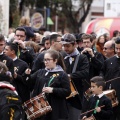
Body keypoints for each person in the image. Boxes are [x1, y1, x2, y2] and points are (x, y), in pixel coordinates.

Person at [25, 49, 71, 120]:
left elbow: (67, 91)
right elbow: (29, 84)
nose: (45, 62)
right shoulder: (41, 71)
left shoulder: (62, 74)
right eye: (44, 60)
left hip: (55, 108)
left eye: (48, 60)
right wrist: (27, 75)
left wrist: (53, 90)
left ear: (55, 60)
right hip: (40, 108)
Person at [61, 33, 89, 120]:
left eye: (68, 46)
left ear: (75, 45)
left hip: (77, 94)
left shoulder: (82, 57)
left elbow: (85, 72)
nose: (65, 48)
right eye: (64, 46)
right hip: (63, 94)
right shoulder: (62, 56)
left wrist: (70, 76)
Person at [100, 37, 120, 120]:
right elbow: (102, 73)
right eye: (117, 48)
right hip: (111, 98)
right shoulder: (108, 61)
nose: (118, 51)